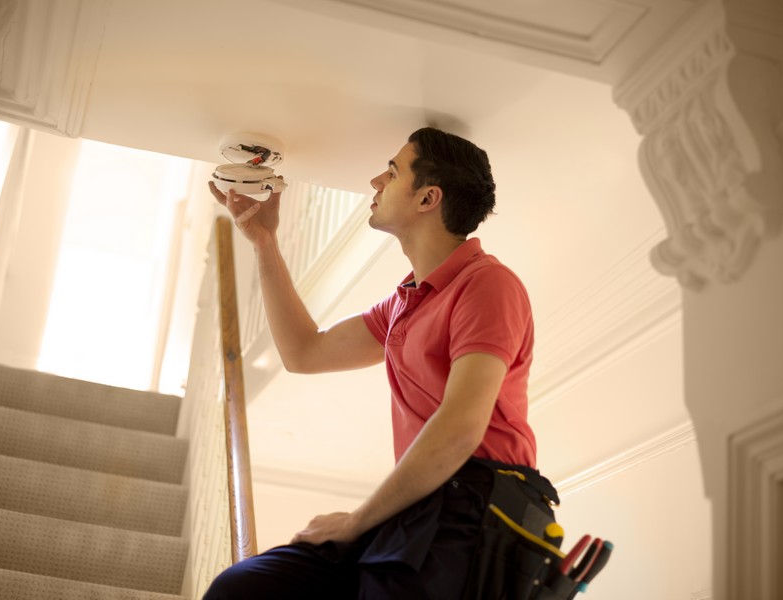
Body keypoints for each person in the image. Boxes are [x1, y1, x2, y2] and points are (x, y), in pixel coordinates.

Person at [204, 127, 557, 599]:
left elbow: (459, 429)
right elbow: (304, 352)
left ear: (428, 198)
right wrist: (264, 242)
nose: (375, 181)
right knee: (244, 588)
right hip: (421, 506)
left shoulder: (488, 285)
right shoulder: (403, 304)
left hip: (478, 506)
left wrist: (356, 522)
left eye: (391, 172)